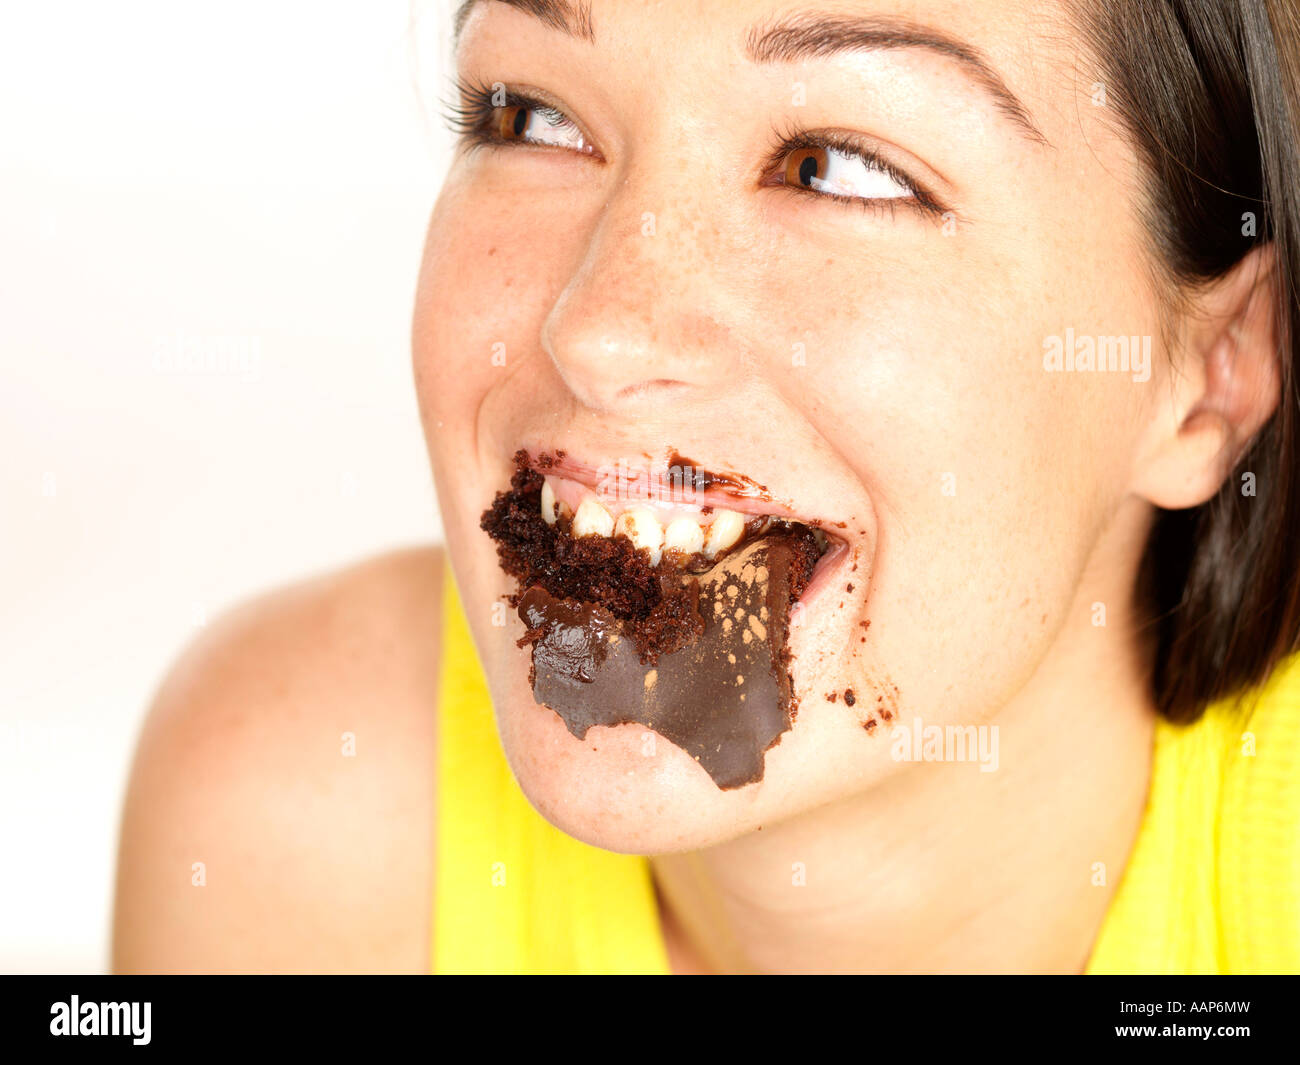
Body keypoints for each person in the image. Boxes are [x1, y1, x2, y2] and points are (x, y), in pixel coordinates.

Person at [113, 0, 1300, 974]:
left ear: (1213, 376)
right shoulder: (295, 808)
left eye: (837, 169)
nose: (600, 333)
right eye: (533, 117)